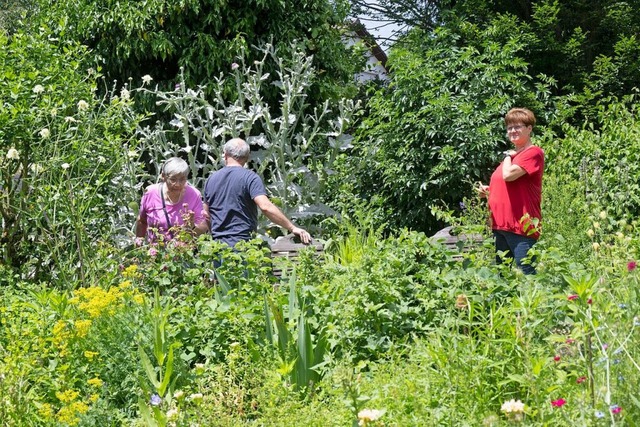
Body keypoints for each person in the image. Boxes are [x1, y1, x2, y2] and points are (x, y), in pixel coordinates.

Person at [203, 137, 311, 248]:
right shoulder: (250, 178)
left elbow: (206, 215)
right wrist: (292, 227)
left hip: (217, 246)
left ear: (225, 155)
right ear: (247, 157)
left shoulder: (211, 179)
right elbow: (265, 207)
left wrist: (215, 235)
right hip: (241, 244)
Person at [477, 108, 544, 274]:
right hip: (500, 225)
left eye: (518, 126)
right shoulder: (513, 157)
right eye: (509, 127)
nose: (512, 131)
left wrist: (507, 155)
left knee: (528, 275)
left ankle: (543, 301)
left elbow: (508, 175)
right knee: (502, 277)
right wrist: (489, 191)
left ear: (529, 128)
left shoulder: (532, 152)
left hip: (521, 226)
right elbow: (508, 185)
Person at [135, 157, 209, 242]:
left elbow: (202, 229)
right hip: (156, 251)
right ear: (163, 176)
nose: (178, 184)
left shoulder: (194, 195)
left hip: (184, 251)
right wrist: (139, 240)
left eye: (182, 179)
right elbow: (142, 220)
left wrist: (192, 226)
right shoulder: (150, 193)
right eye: (173, 179)